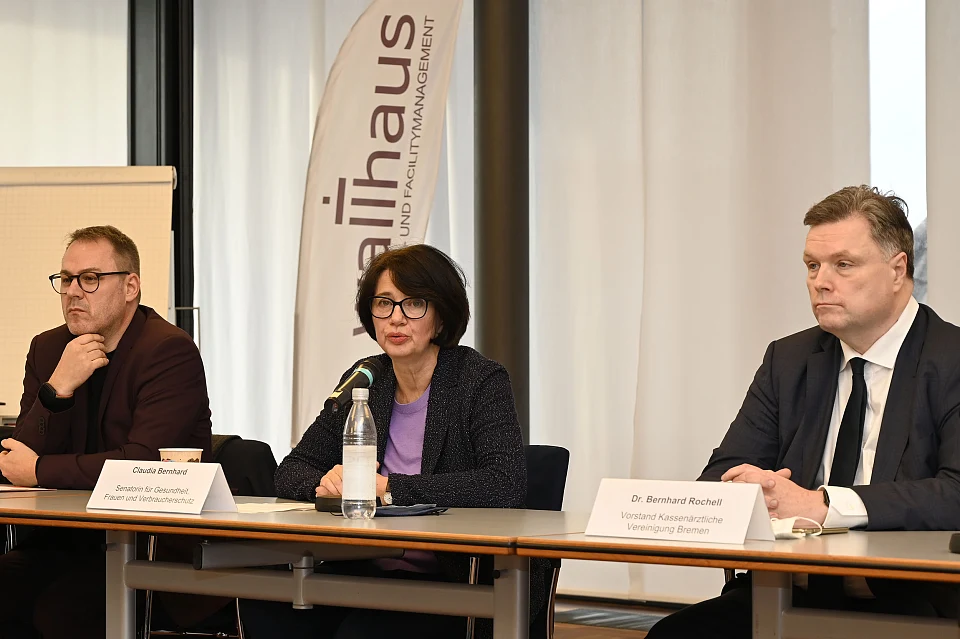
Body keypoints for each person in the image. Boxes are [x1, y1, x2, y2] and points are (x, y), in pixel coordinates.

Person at [647, 185, 960, 639]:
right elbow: (719, 478)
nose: (820, 281)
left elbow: (954, 493)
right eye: (812, 265)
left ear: (897, 270)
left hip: (913, 602)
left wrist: (824, 505)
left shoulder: (951, 360)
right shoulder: (789, 360)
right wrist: (757, 490)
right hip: (784, 592)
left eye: (843, 265)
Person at [240, 243, 545, 639]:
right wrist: (325, 483)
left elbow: (504, 484)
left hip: (457, 580)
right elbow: (291, 470)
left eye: (414, 303)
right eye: (384, 303)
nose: (396, 318)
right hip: (364, 568)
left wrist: (389, 489)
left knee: (364, 633)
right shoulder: (368, 378)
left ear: (440, 316)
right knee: (266, 612)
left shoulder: (478, 380)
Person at [0, 225, 212, 639]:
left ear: (130, 286)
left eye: (90, 278)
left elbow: (144, 463)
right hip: (65, 541)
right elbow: (15, 457)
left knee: (61, 613)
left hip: (151, 548)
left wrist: (41, 471)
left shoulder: (168, 351)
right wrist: (56, 389)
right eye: (66, 279)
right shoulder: (48, 349)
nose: (73, 292)